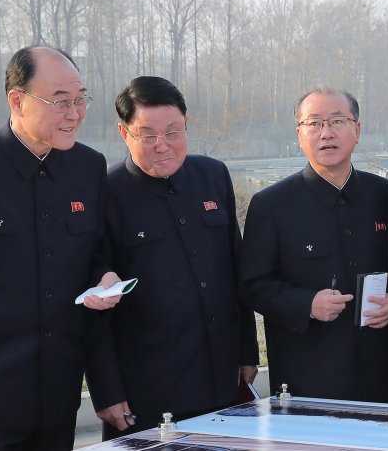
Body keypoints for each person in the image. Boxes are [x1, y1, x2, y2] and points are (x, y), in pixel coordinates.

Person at [0, 45, 122, 450]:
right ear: (17, 100)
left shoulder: (88, 167)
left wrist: (104, 277)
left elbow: (93, 254)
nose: (75, 113)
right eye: (61, 101)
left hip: (58, 396)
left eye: (80, 99)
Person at [87, 76, 259, 439]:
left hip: (220, 382)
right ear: (123, 132)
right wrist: (107, 391)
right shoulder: (104, 194)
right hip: (146, 393)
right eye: (147, 134)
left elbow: (235, 272)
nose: (162, 146)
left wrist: (246, 353)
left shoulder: (213, 176)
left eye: (173, 132)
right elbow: (94, 305)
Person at [239, 87, 388, 401]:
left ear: (357, 130)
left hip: (376, 374)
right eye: (314, 124)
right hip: (305, 377)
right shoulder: (271, 205)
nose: (326, 133)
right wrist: (306, 304)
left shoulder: (386, 194)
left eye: (337, 121)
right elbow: (252, 285)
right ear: (299, 135)